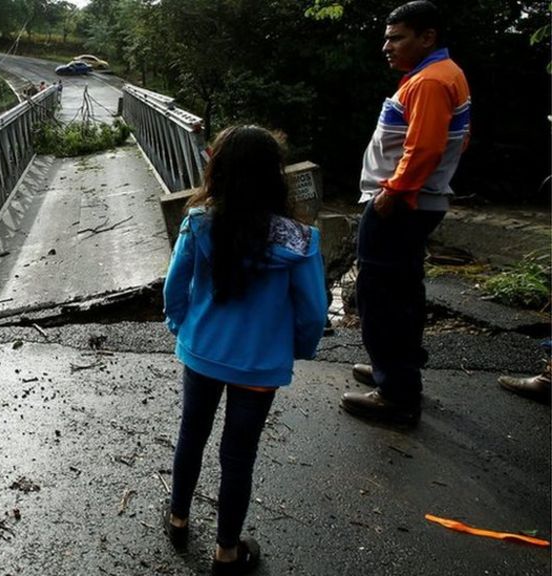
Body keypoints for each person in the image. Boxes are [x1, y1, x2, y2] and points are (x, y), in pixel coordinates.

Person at [162, 126, 327, 574]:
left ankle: (177, 519)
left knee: (191, 435)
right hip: (259, 366)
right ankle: (227, 552)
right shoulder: (301, 240)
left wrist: (182, 325)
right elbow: (313, 311)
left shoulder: (199, 222)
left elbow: (174, 287)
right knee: (238, 456)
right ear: (276, 176)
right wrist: (298, 348)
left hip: (202, 353)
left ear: (218, 168)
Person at [341, 1, 471, 427]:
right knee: (404, 288)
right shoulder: (438, 75)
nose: (386, 46)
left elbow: (427, 148)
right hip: (418, 203)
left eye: (396, 37)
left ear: (427, 37)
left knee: (380, 297)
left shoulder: (431, 81)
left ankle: (396, 393)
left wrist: (393, 192)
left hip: (400, 205)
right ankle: (396, 368)